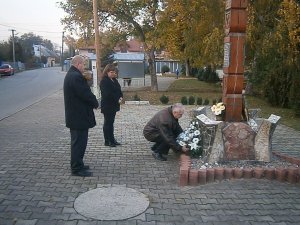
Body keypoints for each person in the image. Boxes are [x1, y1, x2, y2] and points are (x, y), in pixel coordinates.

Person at [63, 55, 99, 177]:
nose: (84, 67)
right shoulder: (76, 77)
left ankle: (79, 163)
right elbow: (85, 94)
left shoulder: (72, 75)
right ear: (78, 64)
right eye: (83, 64)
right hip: (78, 116)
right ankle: (77, 168)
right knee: (79, 143)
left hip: (77, 116)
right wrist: (95, 102)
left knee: (79, 142)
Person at [100, 64, 123, 147]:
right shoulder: (104, 81)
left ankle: (112, 139)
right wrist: (117, 98)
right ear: (107, 72)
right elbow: (107, 94)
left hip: (114, 105)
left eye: (114, 72)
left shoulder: (114, 80)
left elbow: (119, 90)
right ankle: (107, 141)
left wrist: (121, 97)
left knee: (111, 123)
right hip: (107, 105)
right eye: (111, 72)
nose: (113, 73)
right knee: (107, 123)